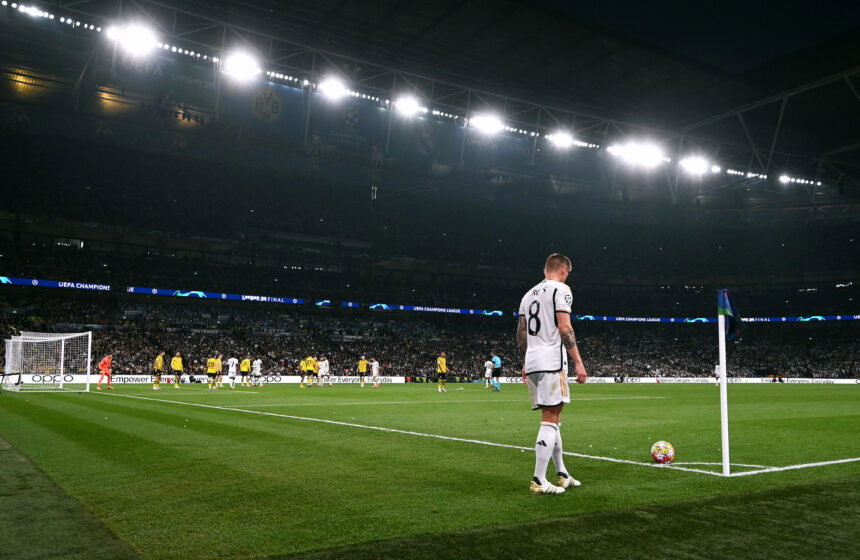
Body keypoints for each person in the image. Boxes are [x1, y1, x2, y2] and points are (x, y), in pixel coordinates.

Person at [517, 253, 587, 495]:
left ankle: (562, 473)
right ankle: (538, 479)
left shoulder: (527, 295)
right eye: (568, 272)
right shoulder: (561, 289)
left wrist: (525, 361)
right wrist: (578, 362)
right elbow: (565, 327)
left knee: (554, 418)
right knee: (550, 418)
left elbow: (522, 332)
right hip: (552, 362)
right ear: (563, 269)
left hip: (534, 361)